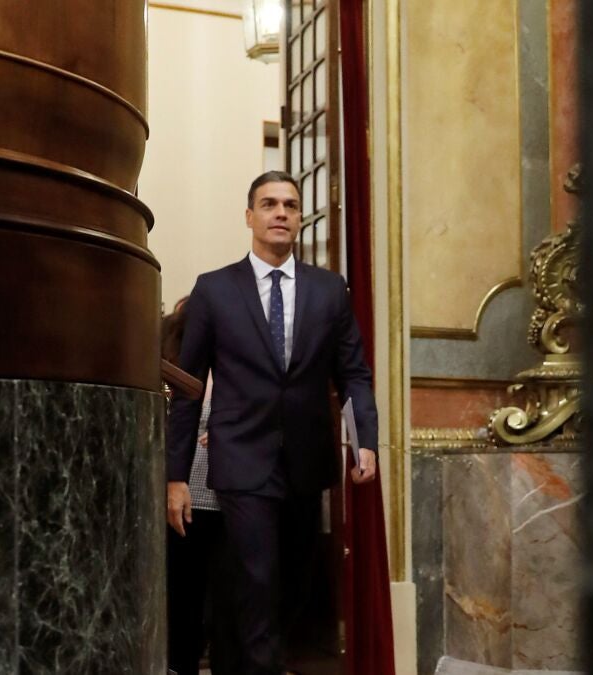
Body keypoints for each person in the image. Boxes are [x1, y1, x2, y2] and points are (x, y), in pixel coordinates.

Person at [166, 171, 378, 675]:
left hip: (307, 463)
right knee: (257, 582)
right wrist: (176, 476)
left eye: (290, 205)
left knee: (291, 588)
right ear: (250, 217)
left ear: (299, 218)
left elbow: (353, 373)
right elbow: (189, 388)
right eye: (269, 204)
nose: (280, 212)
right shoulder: (215, 290)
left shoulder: (330, 290)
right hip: (240, 460)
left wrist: (364, 441)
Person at [163, 298, 230, 674]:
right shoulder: (176, 371)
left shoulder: (233, 371)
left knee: (223, 606)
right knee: (183, 600)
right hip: (184, 501)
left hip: (229, 502)